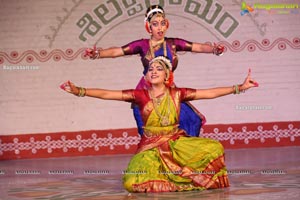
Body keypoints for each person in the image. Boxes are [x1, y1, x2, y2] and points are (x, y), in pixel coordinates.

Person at [60, 56, 259, 192]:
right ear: (146, 76)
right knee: (132, 181)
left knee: (214, 147)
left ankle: (188, 175)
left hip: (175, 141)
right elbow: (107, 94)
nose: (154, 71)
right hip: (150, 146)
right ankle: (180, 178)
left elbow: (209, 93)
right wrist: (80, 91)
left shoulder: (178, 93)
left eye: (159, 69)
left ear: (167, 75)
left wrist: (239, 88)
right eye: (150, 69)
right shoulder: (139, 95)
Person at [84, 5, 225, 137]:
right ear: (148, 27)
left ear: (167, 24)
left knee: (191, 120)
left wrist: (214, 50)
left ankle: (180, 158)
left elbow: (198, 47)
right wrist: (97, 54)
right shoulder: (142, 45)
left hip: (168, 91)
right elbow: (116, 51)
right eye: (155, 24)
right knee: (151, 134)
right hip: (147, 93)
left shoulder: (173, 44)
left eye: (162, 23)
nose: (160, 28)